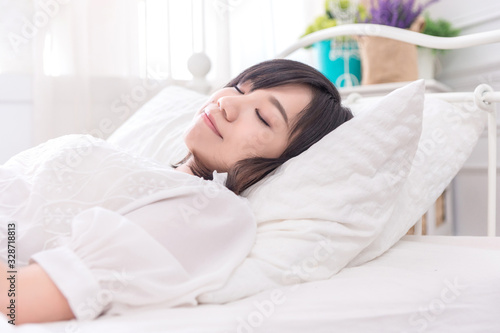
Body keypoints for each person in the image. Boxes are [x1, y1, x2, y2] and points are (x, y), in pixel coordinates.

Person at [0, 59, 353, 325]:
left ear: (284, 161)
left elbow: (21, 301)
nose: (226, 104)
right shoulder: (150, 171)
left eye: (263, 117)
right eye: (240, 88)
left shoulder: (210, 211)